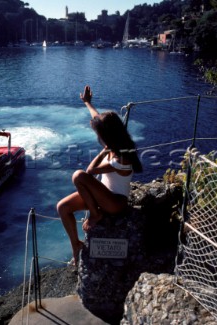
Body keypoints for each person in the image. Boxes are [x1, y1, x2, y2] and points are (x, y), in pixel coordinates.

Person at [57, 85, 142, 266]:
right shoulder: (118, 142)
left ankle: (95, 215)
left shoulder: (121, 159)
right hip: (102, 195)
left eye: (100, 133)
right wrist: (87, 102)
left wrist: (103, 152)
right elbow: (97, 118)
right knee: (62, 207)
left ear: (107, 136)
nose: (98, 135)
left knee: (78, 176)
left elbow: (89, 171)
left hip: (115, 203)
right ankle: (76, 246)